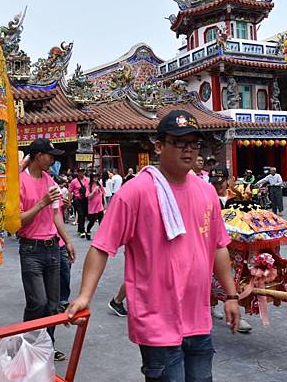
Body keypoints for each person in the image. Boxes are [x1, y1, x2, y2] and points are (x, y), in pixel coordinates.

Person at [67, 110, 240, 382]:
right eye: (179, 142)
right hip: (158, 321)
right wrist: (85, 296)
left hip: (198, 317)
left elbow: (218, 246)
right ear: (159, 146)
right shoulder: (136, 191)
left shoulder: (207, 191)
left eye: (194, 144)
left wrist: (230, 296)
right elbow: (101, 247)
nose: (189, 150)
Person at [18, 138, 76, 362]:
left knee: (52, 306)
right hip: (31, 249)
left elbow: (56, 215)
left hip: (52, 248)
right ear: (37, 155)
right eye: (50, 156)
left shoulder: (50, 180)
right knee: (38, 302)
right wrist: (41, 203)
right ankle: (29, 347)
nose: (52, 160)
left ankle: (46, 348)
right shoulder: (20, 182)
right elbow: (19, 221)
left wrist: (67, 241)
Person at [208, 166, 253, 334]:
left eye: (220, 182)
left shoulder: (239, 197)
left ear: (229, 180)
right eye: (214, 183)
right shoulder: (206, 195)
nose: (217, 186)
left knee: (235, 278)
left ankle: (236, 315)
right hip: (212, 245)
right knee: (211, 278)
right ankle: (211, 307)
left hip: (235, 246)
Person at [69, 168, 89, 238]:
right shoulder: (74, 181)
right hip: (77, 199)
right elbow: (70, 191)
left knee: (84, 214)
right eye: (80, 171)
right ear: (78, 173)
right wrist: (69, 202)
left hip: (85, 200)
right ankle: (82, 231)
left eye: (83, 171)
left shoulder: (88, 180)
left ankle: (80, 228)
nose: (82, 173)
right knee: (81, 214)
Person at [86, 174, 105, 240]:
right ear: (92, 178)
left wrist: (105, 203)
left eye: (97, 176)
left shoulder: (99, 184)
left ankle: (101, 236)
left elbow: (103, 193)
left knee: (101, 221)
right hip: (92, 207)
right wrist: (94, 191)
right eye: (94, 177)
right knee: (92, 222)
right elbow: (88, 197)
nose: (96, 178)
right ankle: (88, 232)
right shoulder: (89, 186)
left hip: (100, 206)